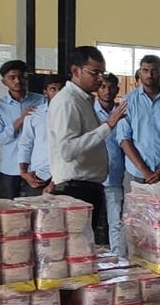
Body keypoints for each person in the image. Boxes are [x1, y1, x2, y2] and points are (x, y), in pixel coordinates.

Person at [47, 46, 128, 237]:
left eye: (102, 72)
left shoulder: (83, 100)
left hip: (87, 186)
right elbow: (67, 150)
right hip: (75, 188)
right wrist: (107, 126)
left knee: (85, 244)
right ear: (76, 71)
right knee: (77, 246)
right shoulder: (67, 101)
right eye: (95, 72)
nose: (100, 78)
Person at [117, 55, 160, 186]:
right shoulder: (128, 101)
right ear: (139, 72)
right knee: (134, 207)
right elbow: (124, 139)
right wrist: (145, 171)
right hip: (136, 173)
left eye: (154, 70)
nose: (149, 75)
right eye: (145, 70)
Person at [0, 60, 46, 199]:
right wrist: (21, 120)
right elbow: (2, 138)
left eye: (21, 76)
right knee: (10, 212)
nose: (17, 81)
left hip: (35, 166)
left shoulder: (41, 101)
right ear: (4, 81)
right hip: (10, 167)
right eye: (12, 77)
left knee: (37, 208)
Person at [93, 73, 126, 254]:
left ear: (117, 89)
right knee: (89, 222)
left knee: (116, 222)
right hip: (92, 176)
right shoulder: (89, 111)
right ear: (97, 89)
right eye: (103, 87)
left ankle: (118, 259)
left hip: (115, 175)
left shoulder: (122, 112)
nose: (107, 91)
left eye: (111, 87)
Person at [17, 98, 52, 197]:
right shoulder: (34, 114)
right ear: (45, 92)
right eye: (53, 89)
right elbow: (26, 143)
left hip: (65, 177)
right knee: (36, 210)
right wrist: (23, 172)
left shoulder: (73, 113)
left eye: (61, 90)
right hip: (39, 175)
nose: (57, 94)